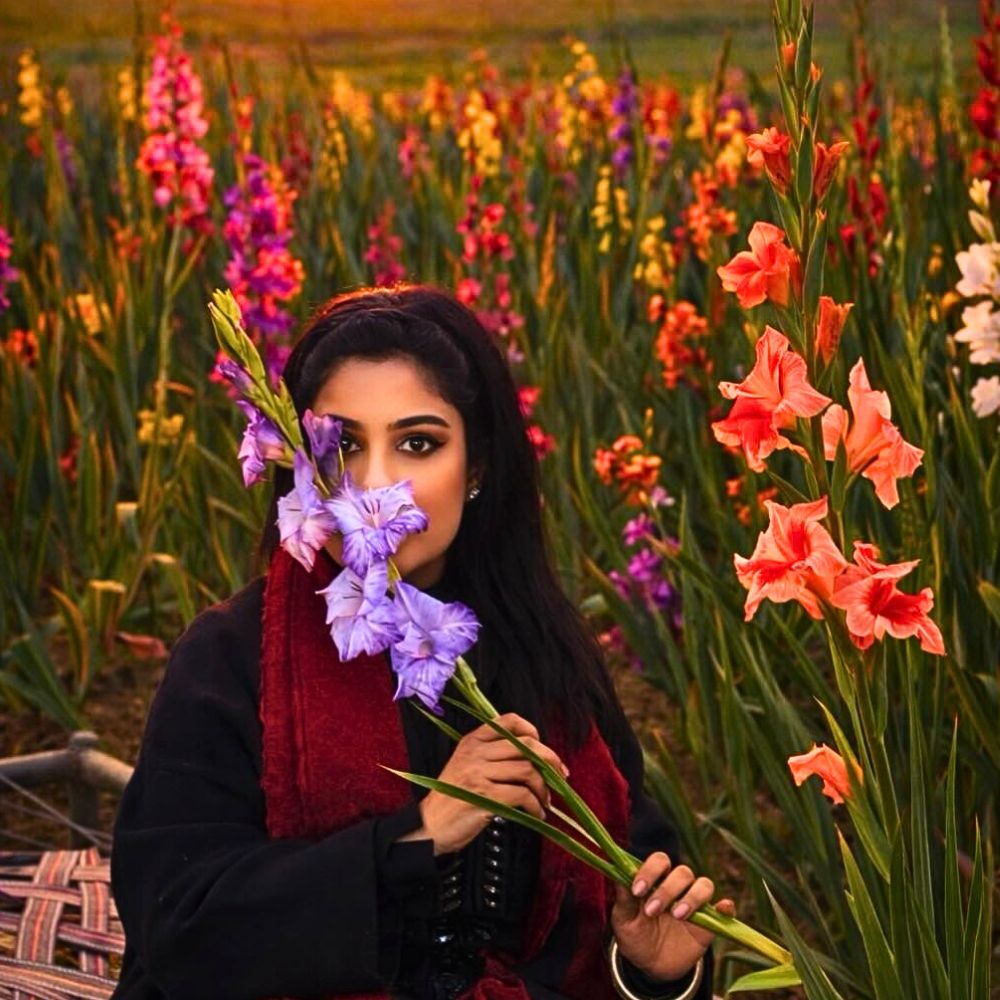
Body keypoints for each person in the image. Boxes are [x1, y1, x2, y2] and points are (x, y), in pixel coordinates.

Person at [110, 285, 735, 1000]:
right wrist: (419, 836)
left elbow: (628, 892)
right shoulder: (230, 657)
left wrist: (658, 972)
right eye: (340, 445)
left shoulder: (546, 658)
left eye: (418, 443)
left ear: (477, 469)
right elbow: (180, 929)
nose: (374, 486)